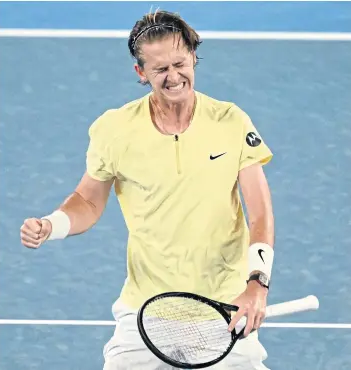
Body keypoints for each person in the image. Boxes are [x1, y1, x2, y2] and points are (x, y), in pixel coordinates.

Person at [20, 10, 275, 370]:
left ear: (193, 58)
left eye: (179, 63)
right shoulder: (115, 129)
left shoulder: (230, 121)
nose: (174, 77)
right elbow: (87, 201)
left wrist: (257, 284)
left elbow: (260, 211)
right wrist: (52, 225)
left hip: (223, 306)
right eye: (160, 70)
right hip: (148, 309)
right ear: (141, 73)